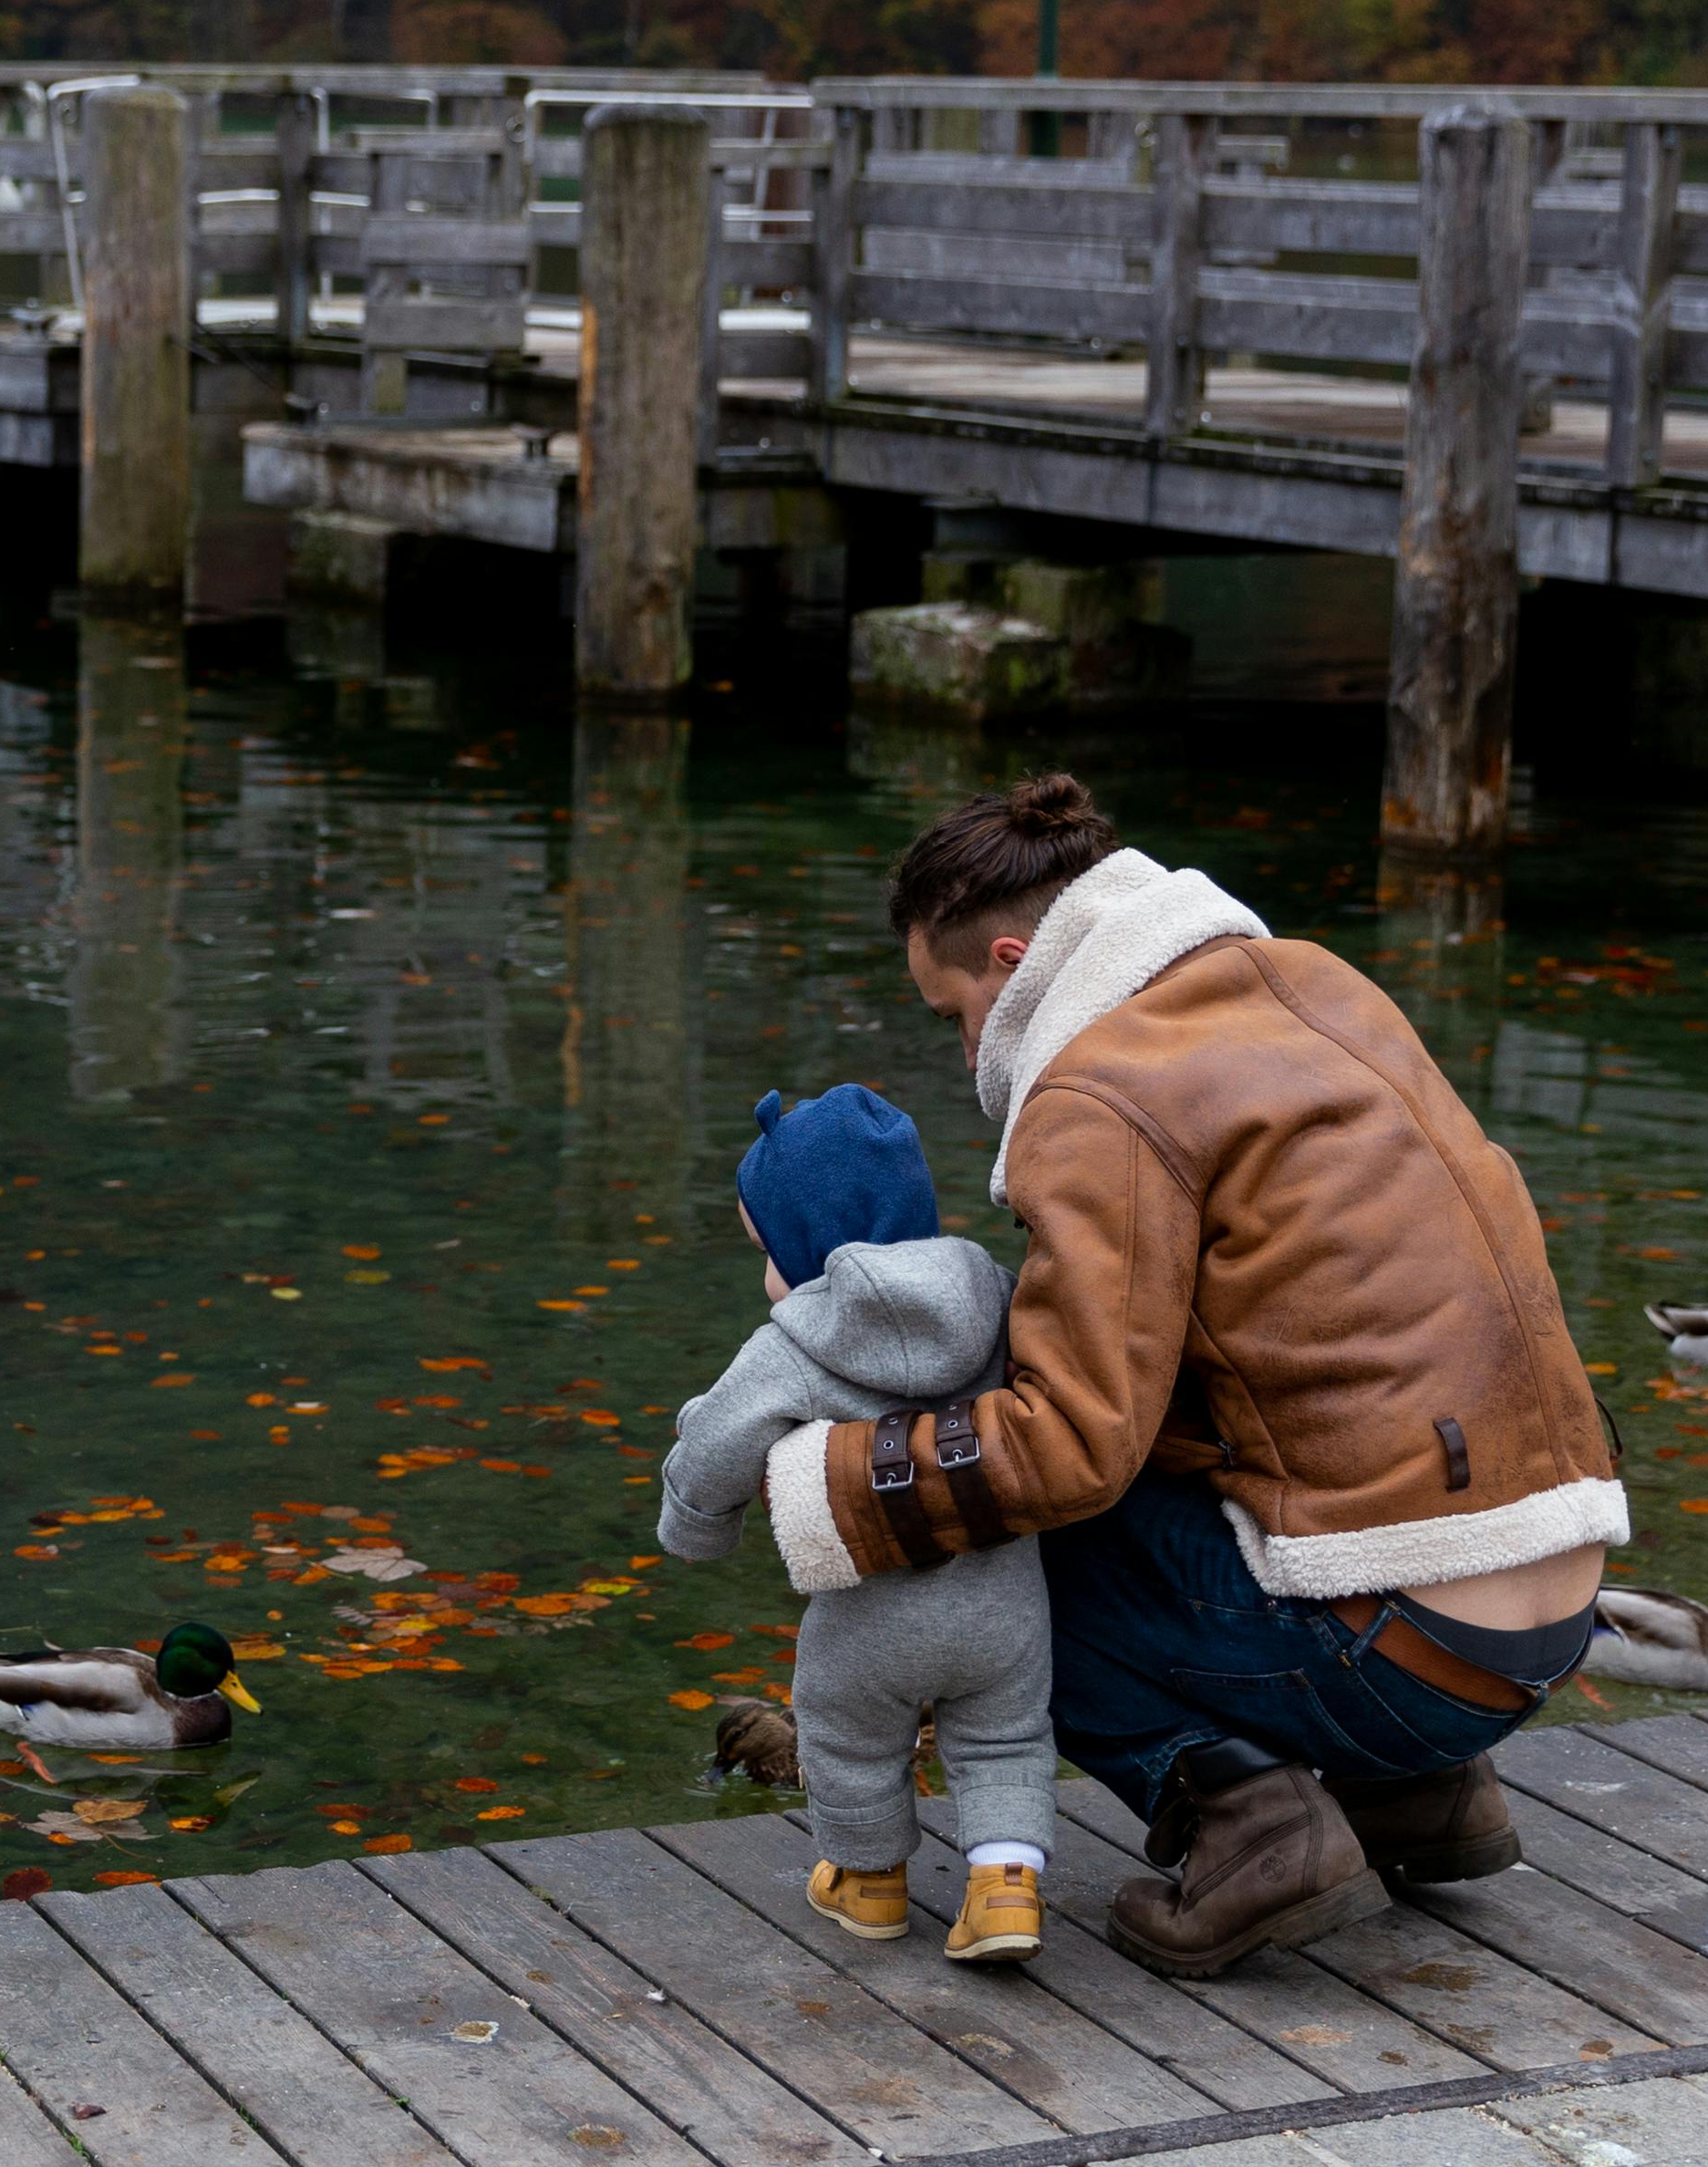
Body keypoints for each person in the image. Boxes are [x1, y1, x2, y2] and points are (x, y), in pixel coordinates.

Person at [760, 774, 1620, 1977]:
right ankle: (1423, 1799)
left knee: (1002, 1540)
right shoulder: (1319, 988)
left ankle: (1253, 1830)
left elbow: (1065, 1449)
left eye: (953, 1012)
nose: (964, 1052)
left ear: (1012, 961)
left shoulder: (1099, 1087)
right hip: (1540, 1620)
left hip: (1401, 1647)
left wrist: (829, 1480)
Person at [656, 1084, 1054, 1965]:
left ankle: (869, 1883)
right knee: (1006, 1736)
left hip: (866, 1611)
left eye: (765, 1250)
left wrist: (693, 1526)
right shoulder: (996, 1291)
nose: (765, 1274)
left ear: (804, 1245)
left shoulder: (795, 1341)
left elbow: (717, 1443)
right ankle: (1005, 1888)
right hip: (1006, 1603)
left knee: (842, 1726)